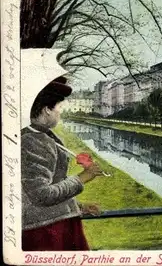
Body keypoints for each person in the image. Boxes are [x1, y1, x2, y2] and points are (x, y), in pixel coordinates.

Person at [21, 76, 103, 251]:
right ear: (47, 110)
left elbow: (53, 185)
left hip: (53, 223)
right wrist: (82, 178)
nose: (60, 111)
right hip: (46, 231)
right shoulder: (31, 140)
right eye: (59, 106)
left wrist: (78, 207)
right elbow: (41, 195)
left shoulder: (41, 135)